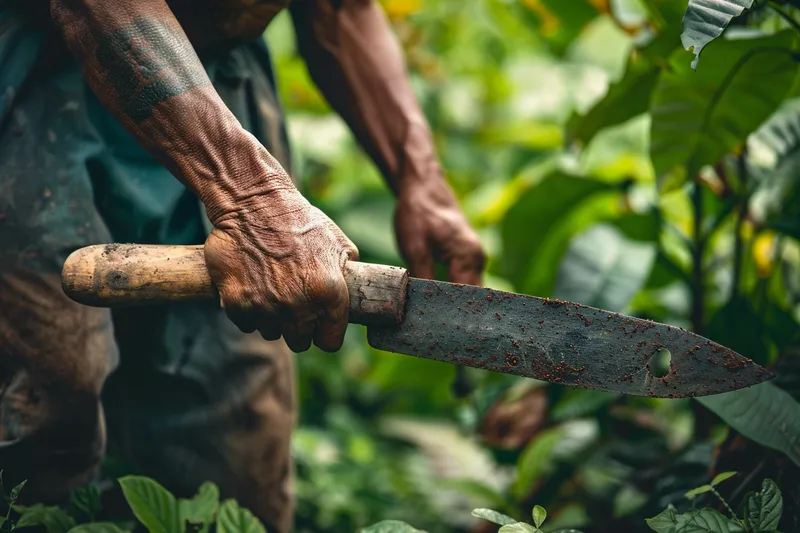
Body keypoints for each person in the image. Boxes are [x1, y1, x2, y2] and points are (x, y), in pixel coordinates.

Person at [0, 1, 485, 531]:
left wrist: (420, 177)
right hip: (36, 82)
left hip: (220, 93)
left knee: (237, 451)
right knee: (47, 418)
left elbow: (340, 6)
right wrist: (249, 195)